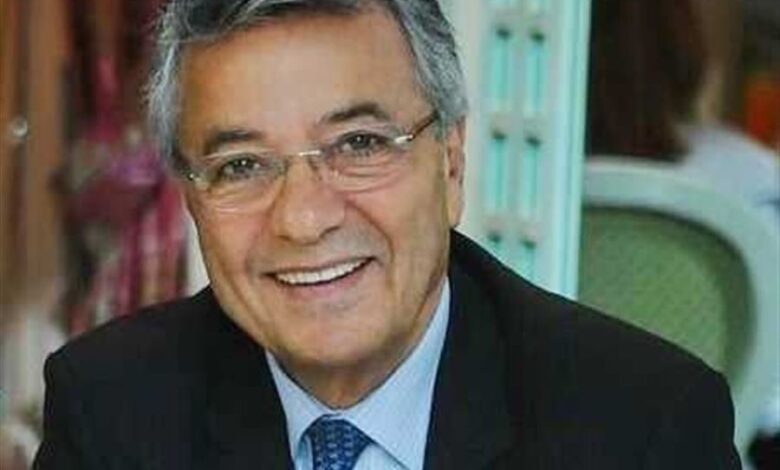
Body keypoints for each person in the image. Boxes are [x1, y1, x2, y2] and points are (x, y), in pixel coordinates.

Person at [33, 1, 741, 468]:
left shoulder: (644, 429)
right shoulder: (112, 413)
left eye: (360, 144)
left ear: (451, 163)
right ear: (192, 198)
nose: (304, 219)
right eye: (242, 165)